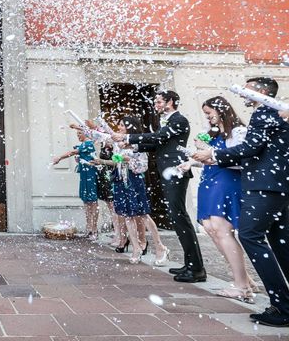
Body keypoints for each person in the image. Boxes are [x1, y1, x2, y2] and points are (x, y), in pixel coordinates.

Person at [194, 78, 289, 327]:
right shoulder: (277, 113)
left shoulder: (264, 112)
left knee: (250, 235)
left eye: (248, 88)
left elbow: (251, 147)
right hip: (278, 185)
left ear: (262, 92)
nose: (243, 92)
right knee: (281, 243)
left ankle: (282, 304)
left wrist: (214, 154)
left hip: (263, 185)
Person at [111, 90, 205, 283]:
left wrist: (128, 138)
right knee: (176, 217)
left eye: (160, 101)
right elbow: (157, 144)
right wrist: (134, 147)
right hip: (168, 171)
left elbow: (159, 138)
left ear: (171, 101)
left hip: (176, 170)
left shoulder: (179, 120)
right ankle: (190, 264)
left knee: (179, 217)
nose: (156, 104)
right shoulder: (168, 122)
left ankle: (196, 268)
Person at [177, 96, 256, 303]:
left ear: (221, 110)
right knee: (211, 229)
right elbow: (213, 160)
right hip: (209, 182)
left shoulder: (237, 131)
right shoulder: (216, 134)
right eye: (205, 114)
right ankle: (243, 278)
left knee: (222, 230)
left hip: (226, 183)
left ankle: (242, 286)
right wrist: (192, 163)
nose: (208, 117)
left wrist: (209, 152)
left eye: (209, 113)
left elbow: (239, 160)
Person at [96, 116, 169, 265]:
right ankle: (136, 248)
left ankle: (160, 246)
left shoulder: (137, 143)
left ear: (130, 127)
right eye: (119, 125)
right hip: (121, 180)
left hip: (135, 181)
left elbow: (143, 167)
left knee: (142, 215)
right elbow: (104, 134)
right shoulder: (119, 143)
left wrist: (128, 161)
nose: (120, 127)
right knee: (127, 215)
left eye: (122, 125)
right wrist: (96, 123)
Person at [53, 130, 98, 240]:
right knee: (86, 201)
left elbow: (73, 152)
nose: (78, 136)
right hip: (84, 174)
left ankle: (94, 229)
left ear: (86, 134)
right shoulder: (84, 144)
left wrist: (59, 157)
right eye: (77, 134)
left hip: (90, 175)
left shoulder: (88, 143)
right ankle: (89, 228)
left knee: (92, 202)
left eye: (79, 133)